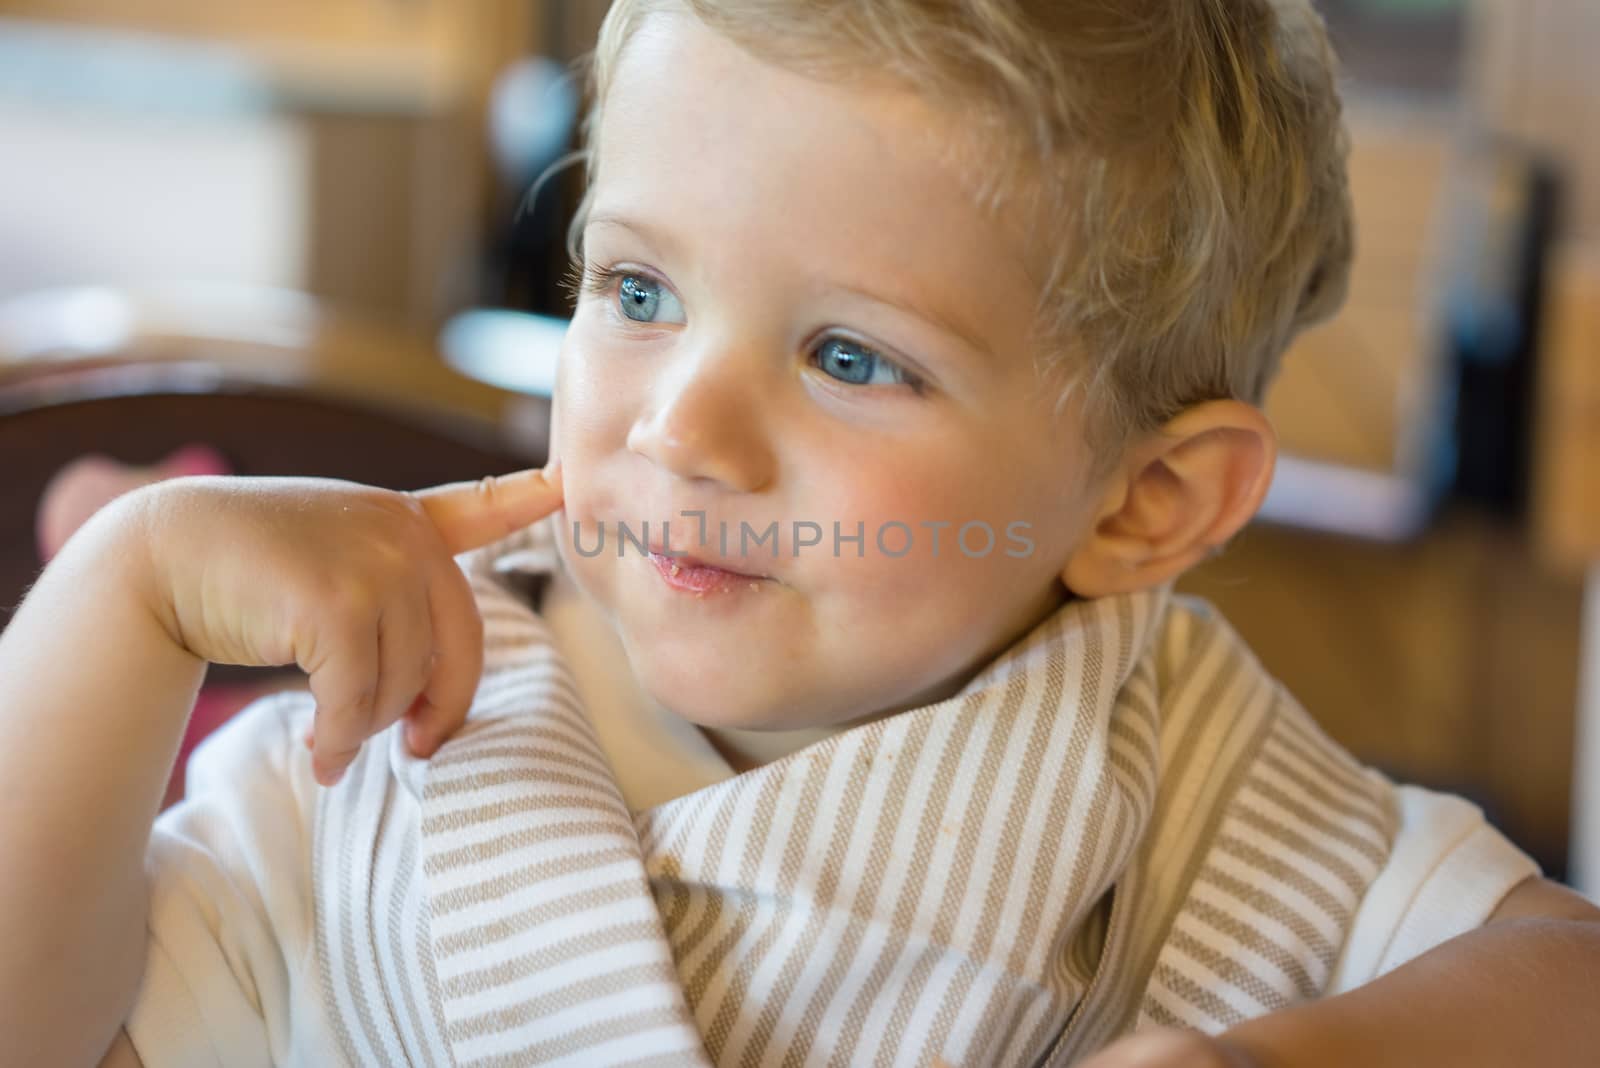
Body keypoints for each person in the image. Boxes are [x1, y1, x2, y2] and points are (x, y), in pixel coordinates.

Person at [3, 1, 1598, 1065]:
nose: (680, 429)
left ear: (1142, 505)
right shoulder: (385, 734)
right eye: (636, 291)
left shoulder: (1196, 804)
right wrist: (123, 592)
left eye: (850, 359)